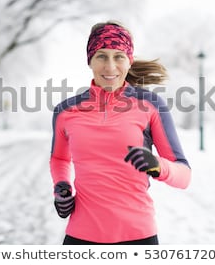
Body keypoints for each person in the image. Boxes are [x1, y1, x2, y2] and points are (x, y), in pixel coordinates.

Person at [49, 20, 191, 245]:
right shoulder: (66, 111)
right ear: (90, 61)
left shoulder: (151, 105)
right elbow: (59, 158)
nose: (110, 66)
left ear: (129, 60)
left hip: (138, 237)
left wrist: (158, 165)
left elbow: (184, 175)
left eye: (119, 56)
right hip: (80, 237)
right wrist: (62, 186)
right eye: (101, 56)